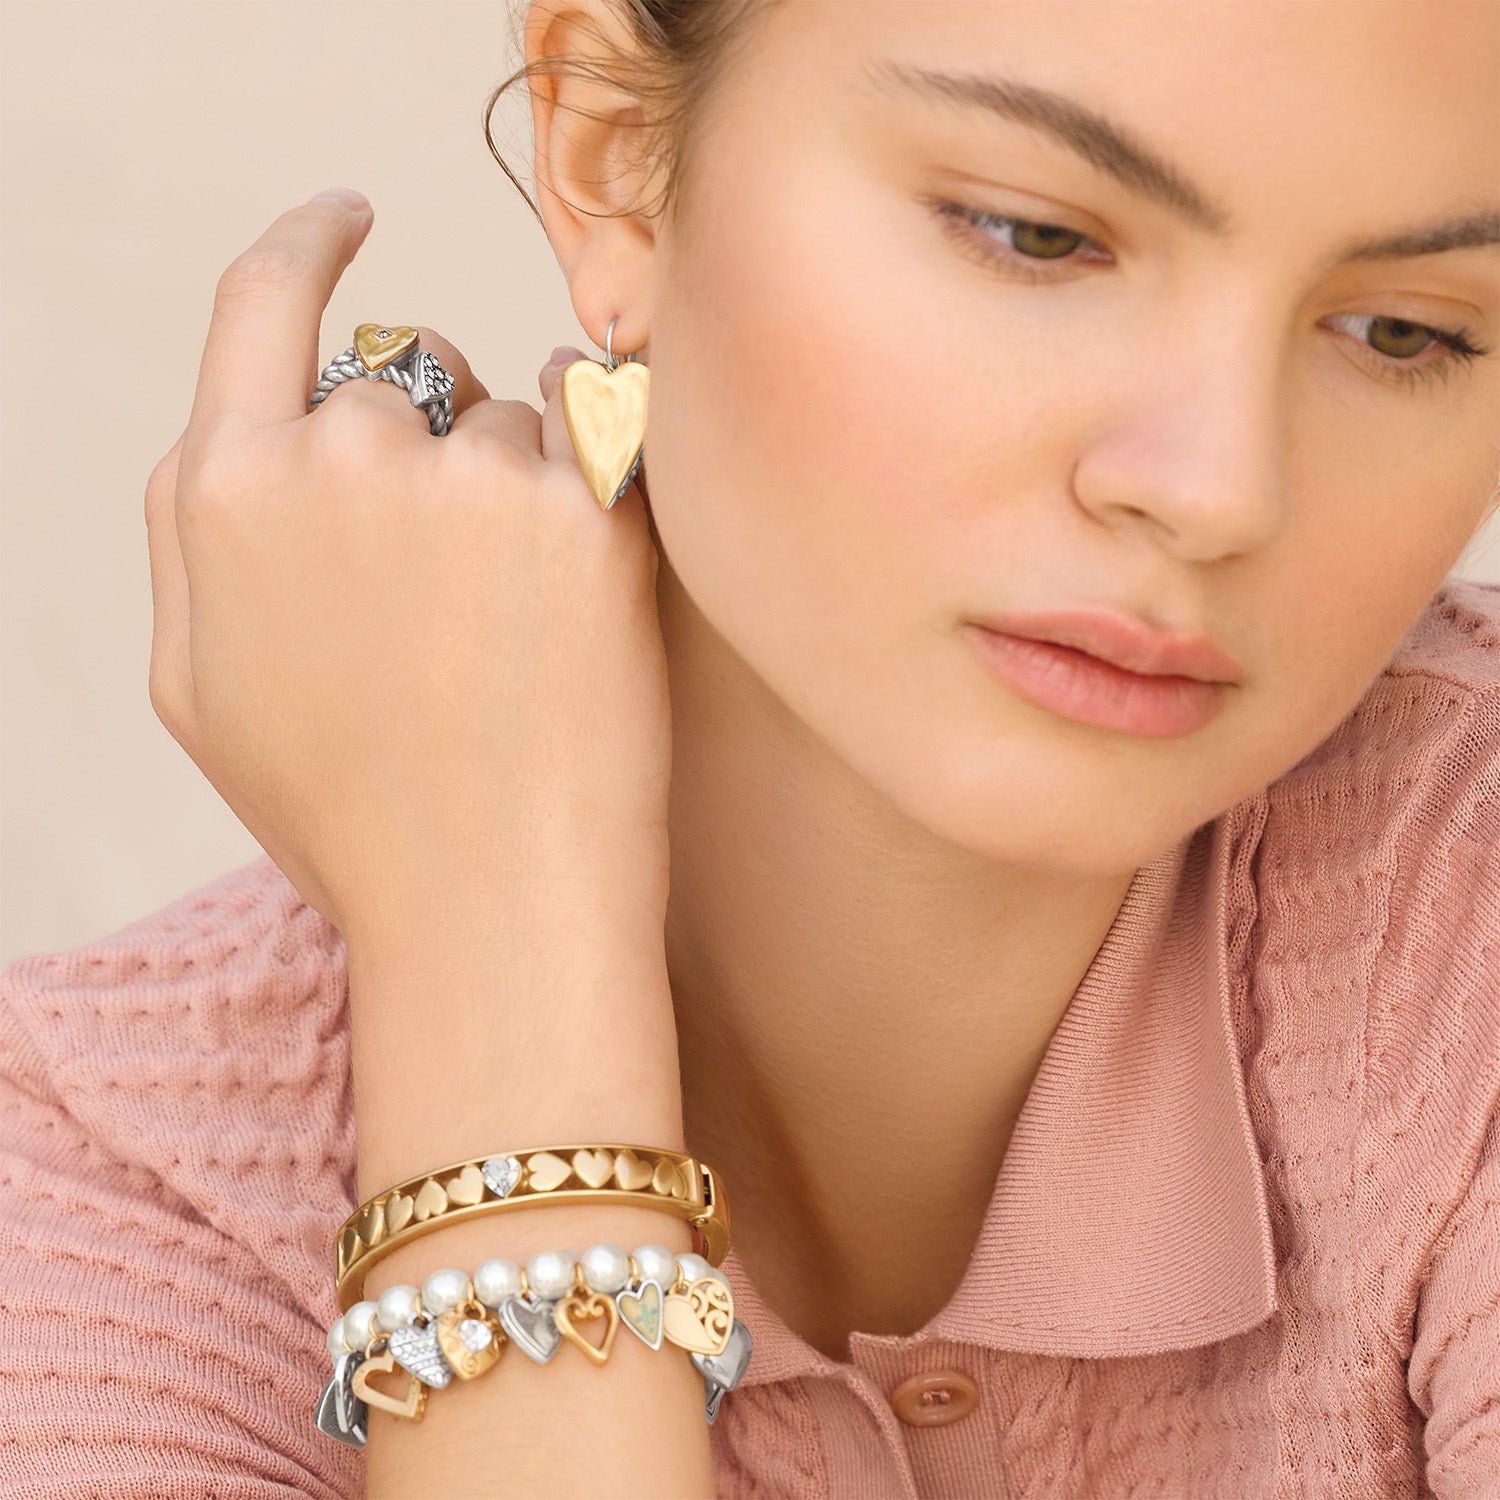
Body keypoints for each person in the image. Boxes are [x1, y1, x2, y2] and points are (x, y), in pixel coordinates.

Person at [3, 0, 1498, 1495]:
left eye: (1406, 332)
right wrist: (491, 955)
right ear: (612, 153)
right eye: (1037, 236)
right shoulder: (117, 1196)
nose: (1220, 489)